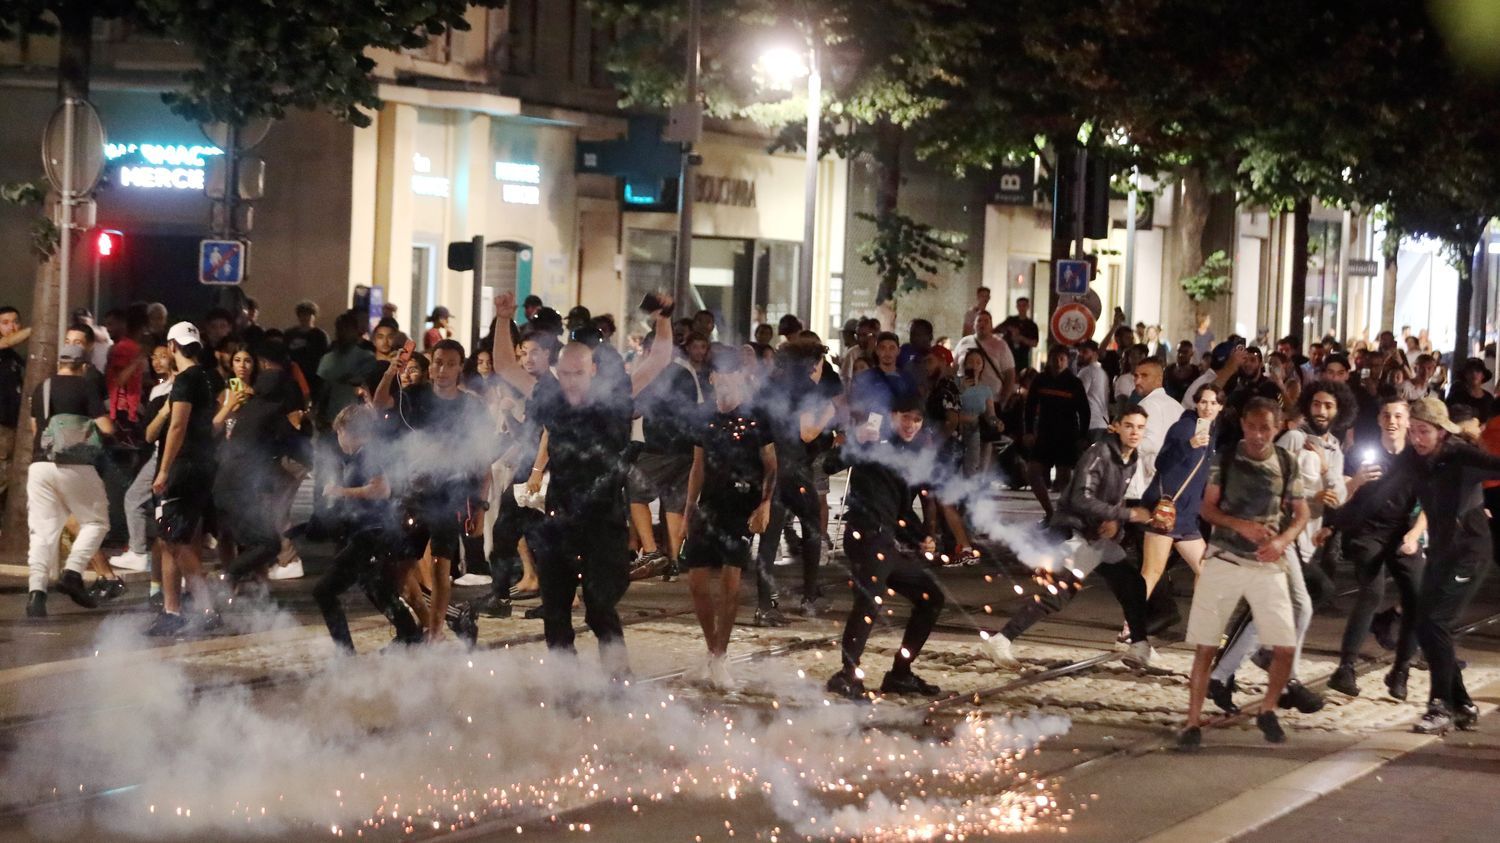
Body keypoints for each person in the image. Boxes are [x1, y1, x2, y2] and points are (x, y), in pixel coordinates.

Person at [1209, 382, 1354, 717]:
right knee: (1294, 604)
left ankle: (1239, 671)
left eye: (1328, 405)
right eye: (1316, 403)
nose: (1321, 411)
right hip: (1276, 533)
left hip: (1304, 539)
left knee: (1281, 608)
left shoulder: (1333, 448)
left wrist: (1335, 479)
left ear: (1339, 411)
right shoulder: (1292, 438)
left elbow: (1339, 496)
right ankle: (1283, 676)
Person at [1178, 398, 1308, 750]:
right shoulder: (1227, 459)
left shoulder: (1286, 461)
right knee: (1206, 646)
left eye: (1265, 428)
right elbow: (1207, 508)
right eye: (1252, 427)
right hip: (1226, 558)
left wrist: (1282, 541)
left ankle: (1268, 708)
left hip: (1268, 563)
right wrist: (1240, 525)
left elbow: (1301, 513)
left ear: (1277, 427)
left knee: (1283, 647)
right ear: (1244, 426)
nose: (1258, 434)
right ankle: (1192, 722)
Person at [982, 406, 1156, 668]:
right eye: (1129, 426)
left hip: (1096, 535)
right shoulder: (1099, 453)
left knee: (1131, 583)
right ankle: (1002, 639)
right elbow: (1080, 498)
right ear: (1116, 426)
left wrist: (1115, 524)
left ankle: (1140, 644)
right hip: (1077, 532)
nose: (1135, 432)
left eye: (1140, 427)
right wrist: (1127, 515)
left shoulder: (1129, 459)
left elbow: (1112, 499)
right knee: (1058, 594)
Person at [826, 397, 948, 700]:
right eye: (906, 417)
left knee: (931, 598)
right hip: (865, 537)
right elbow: (830, 463)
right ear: (892, 416)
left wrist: (922, 536)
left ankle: (900, 673)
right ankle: (847, 674)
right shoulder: (872, 439)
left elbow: (902, 510)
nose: (911, 426)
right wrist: (855, 440)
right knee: (870, 602)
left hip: (889, 543)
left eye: (917, 420)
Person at [1402, 397, 1500, 733]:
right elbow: (1384, 487)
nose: (1416, 438)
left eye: (1423, 431)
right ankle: (1462, 703)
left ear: (1442, 432)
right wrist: (1340, 520)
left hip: (1470, 551)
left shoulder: (1461, 455)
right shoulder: (1416, 459)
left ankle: (1439, 704)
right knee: (1424, 624)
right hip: (1443, 552)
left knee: (1437, 622)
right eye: (1412, 430)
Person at [680, 348, 776, 688]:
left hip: (742, 506)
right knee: (695, 582)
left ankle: (721, 654)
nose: (726, 379)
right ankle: (712, 650)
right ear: (712, 378)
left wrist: (764, 504)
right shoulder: (704, 417)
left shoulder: (756, 417)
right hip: (710, 504)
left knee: (731, 583)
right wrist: (689, 509)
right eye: (720, 373)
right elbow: (697, 466)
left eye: (733, 373)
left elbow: (771, 466)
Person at [1326, 396, 1425, 700]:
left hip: (1402, 533)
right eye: (1386, 415)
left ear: (1408, 422)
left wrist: (1414, 535)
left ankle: (1401, 670)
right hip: (1366, 532)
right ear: (1380, 420)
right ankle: (1345, 668)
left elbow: (1430, 506)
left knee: (1417, 597)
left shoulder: (1419, 458)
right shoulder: (1361, 454)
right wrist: (1356, 481)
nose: (1392, 421)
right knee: (1372, 591)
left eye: (1398, 416)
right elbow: (1340, 496)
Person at [23, 341, 115, 619]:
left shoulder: (42, 388)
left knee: (42, 532)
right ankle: (73, 573)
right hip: (75, 465)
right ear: (84, 365)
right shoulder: (86, 386)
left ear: (59, 363)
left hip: (40, 465)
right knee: (96, 521)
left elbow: (35, 428)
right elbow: (106, 427)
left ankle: (36, 595)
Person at [148, 323, 222, 636]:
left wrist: (164, 469)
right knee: (172, 540)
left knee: (175, 541)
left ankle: (205, 609)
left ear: (172, 346)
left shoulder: (186, 381)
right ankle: (171, 610)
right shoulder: (207, 377)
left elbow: (177, 427)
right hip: (203, 466)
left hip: (183, 467)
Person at [628, 330, 712, 580]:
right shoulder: (686, 371)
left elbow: (635, 409)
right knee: (675, 504)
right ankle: (674, 561)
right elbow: (698, 407)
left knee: (634, 492)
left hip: (659, 447)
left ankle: (652, 551)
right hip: (686, 448)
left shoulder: (652, 372)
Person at [1140, 384, 1223, 598]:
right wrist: (1189, 445)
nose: (1208, 407)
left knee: (1206, 570)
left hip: (1186, 518)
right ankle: (1130, 628)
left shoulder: (1211, 434)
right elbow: (1161, 463)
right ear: (1196, 403)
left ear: (1221, 407)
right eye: (1203, 401)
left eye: (1214, 403)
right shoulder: (1184, 428)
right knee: (1152, 572)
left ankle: (1202, 627)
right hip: (1165, 513)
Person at [1023, 345, 1090, 521]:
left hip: (1067, 436)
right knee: (1032, 472)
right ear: (1049, 359)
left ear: (1068, 361)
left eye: (1062, 359)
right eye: (1055, 358)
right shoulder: (1040, 380)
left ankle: (1065, 515)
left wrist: (1083, 436)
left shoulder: (1074, 383)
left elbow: (1084, 411)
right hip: (1044, 433)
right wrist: (1029, 431)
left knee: (1064, 479)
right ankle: (1049, 512)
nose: (1058, 362)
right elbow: (1029, 407)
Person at [953, 312, 1016, 407]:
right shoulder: (964, 342)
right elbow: (954, 369)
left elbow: (1010, 374)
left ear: (991, 325)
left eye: (986, 321)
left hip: (992, 400)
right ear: (974, 325)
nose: (982, 324)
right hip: (965, 398)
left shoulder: (1000, 345)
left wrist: (1004, 400)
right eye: (979, 321)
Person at [0, 306, 30, 495]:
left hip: (12, 424)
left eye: (15, 321)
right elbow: (8, 341)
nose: (12, 326)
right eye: (5, 323)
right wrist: (38, 329)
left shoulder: (16, 359)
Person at [285, 300, 330, 391]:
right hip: (293, 377)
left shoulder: (320, 335)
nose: (305, 317)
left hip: (313, 379)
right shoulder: (290, 334)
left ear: (314, 316)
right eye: (302, 314)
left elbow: (326, 358)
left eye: (308, 314)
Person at [1076, 340, 1109, 441]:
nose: (1080, 355)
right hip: (1102, 423)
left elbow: (1078, 396)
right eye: (1080, 351)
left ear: (1095, 354)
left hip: (1090, 424)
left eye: (1085, 352)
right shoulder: (1103, 373)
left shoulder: (1086, 371)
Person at [1446, 357, 1495, 422]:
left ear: (1483, 375)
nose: (1474, 373)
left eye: (1478, 371)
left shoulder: (1489, 399)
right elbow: (1445, 417)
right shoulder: (1456, 396)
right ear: (1465, 375)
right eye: (1470, 371)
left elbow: (1493, 421)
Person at [999, 297, 1040, 371]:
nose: (1021, 308)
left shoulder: (1032, 325)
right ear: (1017, 307)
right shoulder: (1011, 320)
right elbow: (997, 330)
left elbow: (1035, 343)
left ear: (1028, 307)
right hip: (1008, 356)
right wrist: (1009, 329)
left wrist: (1021, 338)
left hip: (1023, 358)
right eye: (1019, 306)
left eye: (1024, 305)